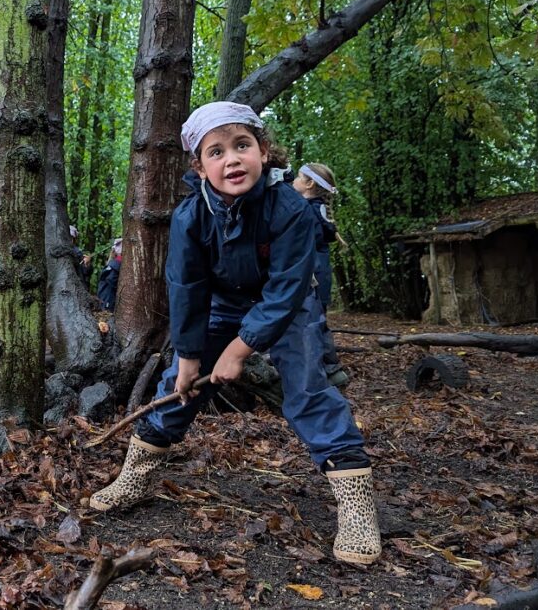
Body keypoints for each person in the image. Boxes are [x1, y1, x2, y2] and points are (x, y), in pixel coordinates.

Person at [86, 101, 381, 566]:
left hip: (288, 305)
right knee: (177, 386)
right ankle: (136, 475)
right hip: (221, 302)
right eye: (216, 152)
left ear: (264, 152)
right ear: (200, 167)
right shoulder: (189, 217)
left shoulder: (291, 208)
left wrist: (240, 349)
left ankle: (356, 504)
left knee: (307, 386)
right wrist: (189, 356)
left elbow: (287, 288)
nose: (232, 160)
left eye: (242, 146)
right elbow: (186, 287)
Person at [293, 163, 345, 383]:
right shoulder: (317, 210)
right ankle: (330, 368)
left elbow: (305, 244)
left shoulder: (307, 211)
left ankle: (325, 371)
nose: (294, 180)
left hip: (311, 276)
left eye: (298, 176)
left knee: (311, 321)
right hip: (319, 274)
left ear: (309, 184)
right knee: (316, 319)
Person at [96, 238, 123, 310]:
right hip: (107, 297)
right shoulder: (116, 264)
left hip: (104, 296)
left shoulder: (112, 263)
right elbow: (111, 279)